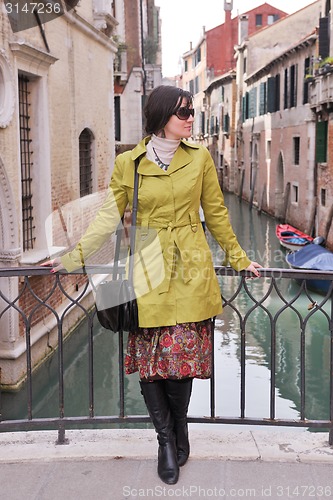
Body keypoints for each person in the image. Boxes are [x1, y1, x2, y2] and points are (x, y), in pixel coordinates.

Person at [43, 85, 261, 485]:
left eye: (192, 110)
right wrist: (74, 257)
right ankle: (165, 441)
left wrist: (239, 258)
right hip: (146, 264)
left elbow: (215, 214)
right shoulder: (130, 162)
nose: (191, 118)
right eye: (183, 112)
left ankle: (180, 427)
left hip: (191, 265)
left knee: (180, 364)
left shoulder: (201, 159)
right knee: (151, 364)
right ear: (162, 116)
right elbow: (109, 218)